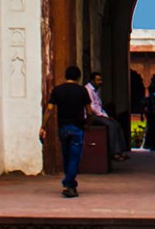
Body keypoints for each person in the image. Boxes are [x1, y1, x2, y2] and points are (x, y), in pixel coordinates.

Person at [39, 65, 92, 198]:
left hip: (63, 127)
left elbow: (50, 108)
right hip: (77, 127)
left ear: (66, 76)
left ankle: (70, 183)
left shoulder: (58, 90)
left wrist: (43, 126)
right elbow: (89, 110)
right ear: (78, 77)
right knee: (75, 157)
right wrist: (89, 123)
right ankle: (69, 183)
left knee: (67, 155)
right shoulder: (82, 91)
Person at [85, 71, 130, 161]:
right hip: (92, 116)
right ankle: (114, 152)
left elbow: (99, 106)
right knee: (111, 126)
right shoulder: (88, 90)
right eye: (98, 80)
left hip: (98, 114)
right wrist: (103, 116)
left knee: (116, 124)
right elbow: (92, 107)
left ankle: (120, 150)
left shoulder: (95, 91)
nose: (100, 82)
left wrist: (105, 115)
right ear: (92, 80)